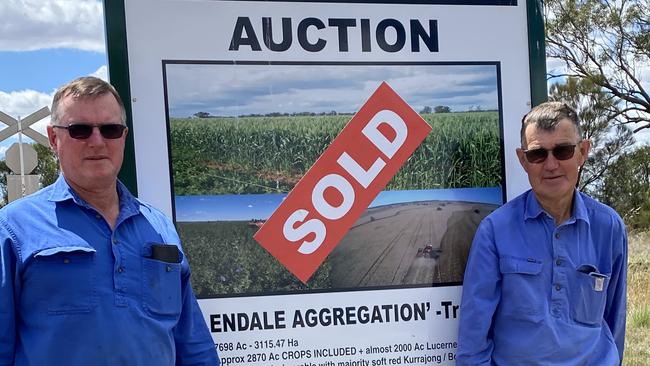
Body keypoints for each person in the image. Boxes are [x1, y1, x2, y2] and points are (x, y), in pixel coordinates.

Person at [0, 76, 219, 365]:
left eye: (110, 129)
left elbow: (193, 346)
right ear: (54, 138)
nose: (97, 141)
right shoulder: (14, 229)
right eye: (80, 130)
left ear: (123, 136)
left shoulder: (160, 229)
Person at [457, 102, 627, 365]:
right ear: (523, 160)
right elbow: (473, 336)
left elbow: (616, 321)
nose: (551, 164)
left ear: (582, 152)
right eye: (538, 154)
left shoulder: (609, 227)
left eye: (563, 151)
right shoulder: (494, 231)